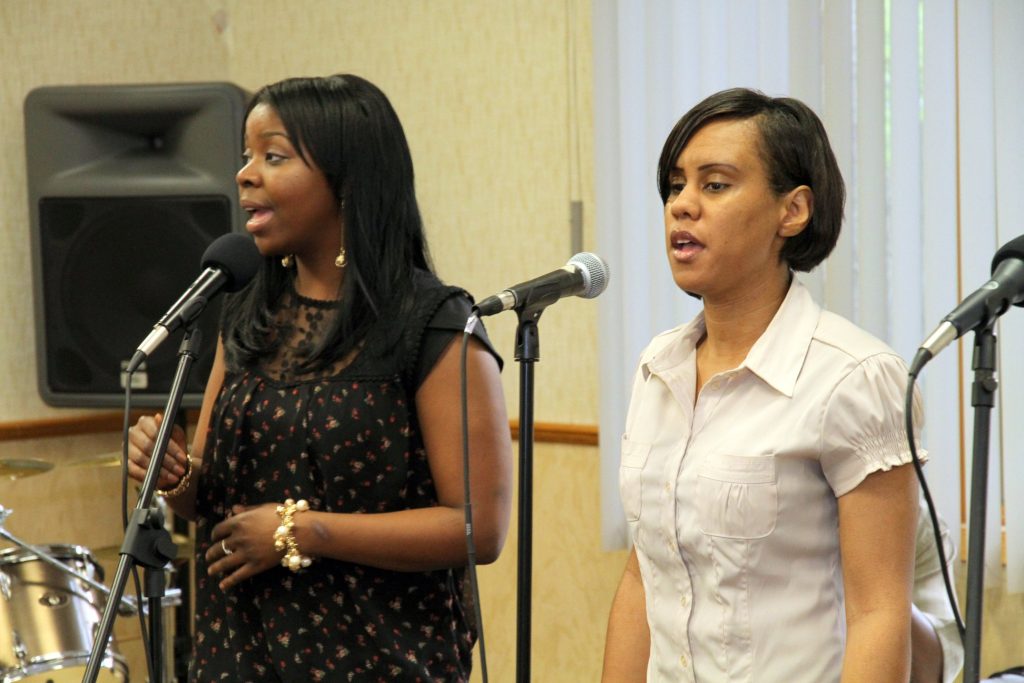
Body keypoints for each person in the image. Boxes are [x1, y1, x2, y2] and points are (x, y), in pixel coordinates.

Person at [127, 74, 513, 681]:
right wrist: (172, 472)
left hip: (379, 658)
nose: (245, 174)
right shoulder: (246, 311)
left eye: (273, 156)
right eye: (246, 156)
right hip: (239, 655)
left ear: (348, 182)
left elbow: (477, 528)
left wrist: (299, 531)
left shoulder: (435, 324)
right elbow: (208, 495)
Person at [601, 88, 922, 682]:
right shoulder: (658, 366)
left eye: (714, 184)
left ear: (792, 211)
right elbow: (645, 574)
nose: (682, 206)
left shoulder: (853, 376)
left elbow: (880, 613)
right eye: (675, 186)